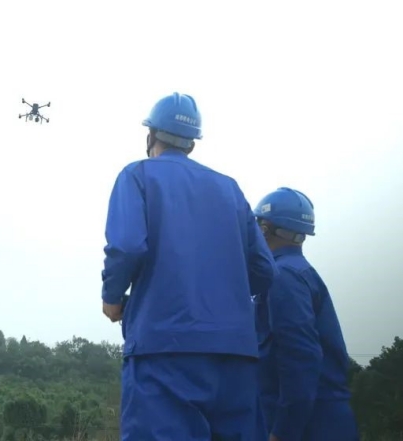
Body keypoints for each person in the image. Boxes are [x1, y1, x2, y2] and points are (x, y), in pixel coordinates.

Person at [100, 92, 277, 441]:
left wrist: (113, 298)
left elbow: (127, 245)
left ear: (150, 136)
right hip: (236, 357)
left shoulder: (137, 176)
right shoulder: (230, 188)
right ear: (192, 144)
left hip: (164, 350)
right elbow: (264, 269)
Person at [253, 187, 360, 441]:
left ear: (265, 228)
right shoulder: (294, 271)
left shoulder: (283, 277)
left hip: (307, 426)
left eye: (257, 224)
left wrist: (283, 431)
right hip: (320, 420)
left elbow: (299, 357)